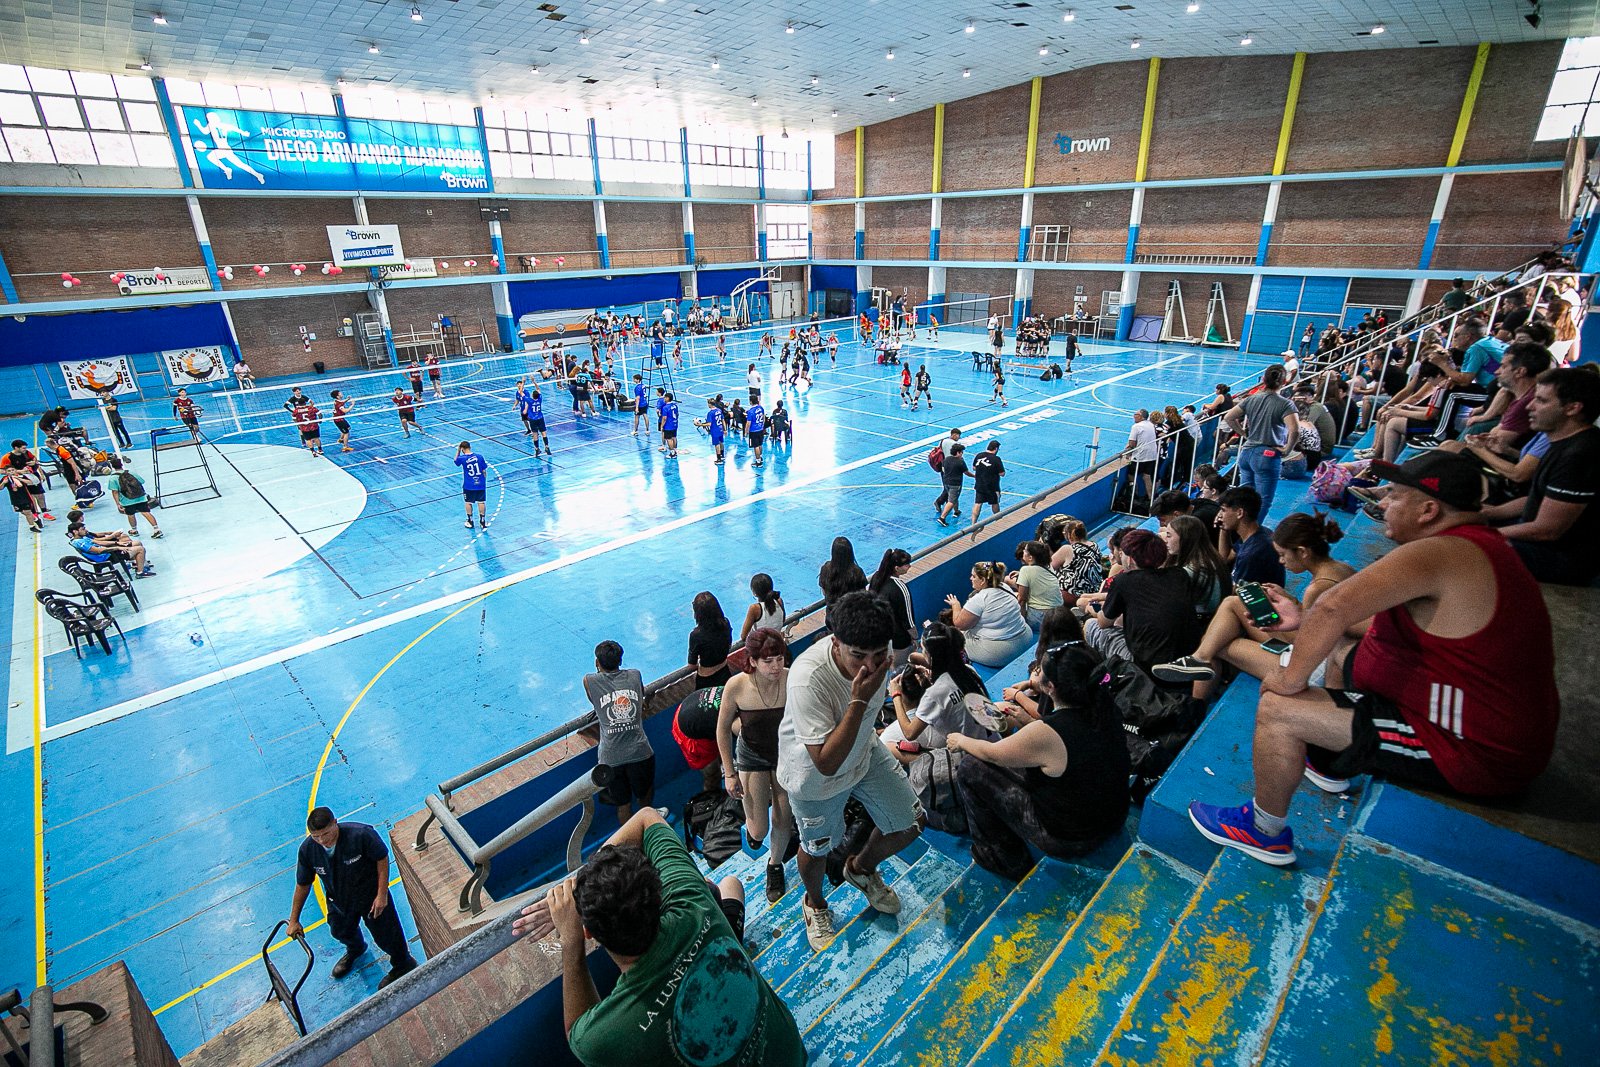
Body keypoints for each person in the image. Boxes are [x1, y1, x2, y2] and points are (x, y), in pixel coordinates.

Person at [1187, 451, 1560, 867]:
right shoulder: (1474, 549)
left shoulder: (1440, 551)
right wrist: (1304, 619)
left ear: (1428, 510)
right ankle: (1328, 763)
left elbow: (1334, 608)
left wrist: (1288, 679)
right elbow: (1358, 624)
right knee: (1339, 649)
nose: (1383, 503)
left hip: (1467, 748)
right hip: (1470, 721)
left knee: (1278, 708)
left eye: (1395, 495)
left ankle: (1263, 830)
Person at [511, 808, 805, 1066]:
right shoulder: (691, 899)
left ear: (588, 932)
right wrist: (584, 883)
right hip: (789, 1053)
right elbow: (646, 817)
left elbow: (576, 1032)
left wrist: (571, 941)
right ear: (659, 896)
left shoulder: (601, 1036)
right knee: (729, 884)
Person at [775, 592, 923, 951]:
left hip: (864, 752)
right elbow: (826, 762)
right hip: (815, 778)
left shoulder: (880, 649)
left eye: (878, 656)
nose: (869, 667)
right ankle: (815, 903)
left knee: (911, 821)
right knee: (816, 850)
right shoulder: (808, 678)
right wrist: (859, 699)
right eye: (858, 656)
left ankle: (860, 869)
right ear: (835, 642)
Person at [949, 643, 1130, 880]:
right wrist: (1025, 718)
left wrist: (961, 741)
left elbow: (991, 753)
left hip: (1072, 837)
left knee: (969, 767)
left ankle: (1002, 858)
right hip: (1113, 817)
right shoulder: (1105, 705)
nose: (1036, 673)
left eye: (1040, 671)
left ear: (1051, 687)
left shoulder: (1048, 732)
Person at [1156, 511, 1354, 698]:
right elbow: (1320, 621)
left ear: (1302, 552)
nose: (1281, 561)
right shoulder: (1341, 568)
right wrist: (1292, 601)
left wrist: (1280, 619)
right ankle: (1200, 659)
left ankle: (1196, 700)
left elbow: (1307, 640)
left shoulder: (1317, 588)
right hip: (1328, 651)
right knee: (1233, 602)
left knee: (1217, 644)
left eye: (1283, 554)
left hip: (1312, 666)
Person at [1480, 366, 1600, 585]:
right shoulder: (1561, 442)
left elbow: (1547, 530)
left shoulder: (1580, 454)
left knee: (1461, 547)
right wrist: (1489, 513)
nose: (1529, 406)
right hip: (1536, 537)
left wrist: (1487, 534)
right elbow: (1539, 499)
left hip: (1559, 558)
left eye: (1541, 401)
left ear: (1572, 408)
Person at [286, 807, 418, 988]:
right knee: (339, 930)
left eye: (326, 833)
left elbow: (381, 858)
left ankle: (403, 963)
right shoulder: (308, 850)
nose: (322, 840)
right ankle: (356, 948)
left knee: (387, 934)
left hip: (370, 896)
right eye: (316, 836)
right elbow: (303, 884)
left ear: (335, 822)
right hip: (339, 900)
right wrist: (294, 920)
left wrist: (381, 894)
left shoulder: (361, 835)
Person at [716, 627, 794, 901]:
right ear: (752, 661)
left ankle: (775, 864)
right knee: (758, 830)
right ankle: (754, 827)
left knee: (784, 818)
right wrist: (729, 773)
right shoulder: (736, 686)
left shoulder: (792, 679)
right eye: (767, 661)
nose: (775, 667)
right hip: (752, 757)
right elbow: (722, 729)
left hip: (784, 755)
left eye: (779, 659)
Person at [1084, 530, 1196, 672]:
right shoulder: (1179, 574)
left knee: (1091, 625)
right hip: (1187, 657)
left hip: (1145, 666)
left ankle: (1106, 675)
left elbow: (1103, 623)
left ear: (1130, 559)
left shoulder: (1123, 581)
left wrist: (1095, 609)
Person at [884, 621, 988, 751]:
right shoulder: (968, 670)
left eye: (923, 650)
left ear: (930, 656)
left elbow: (909, 733)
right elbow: (923, 658)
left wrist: (896, 695)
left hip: (972, 752)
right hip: (990, 740)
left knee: (891, 747)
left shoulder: (935, 694)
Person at [585, 640, 654, 823]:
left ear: (597, 663)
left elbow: (595, 702)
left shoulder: (589, 681)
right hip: (640, 752)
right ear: (620, 660)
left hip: (610, 758)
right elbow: (642, 697)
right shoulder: (635, 675)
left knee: (623, 805)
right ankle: (648, 826)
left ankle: (631, 837)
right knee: (645, 801)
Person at [1226, 366, 1299, 521]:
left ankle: (1239, 529)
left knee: (1244, 499)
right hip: (1267, 455)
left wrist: (1244, 434)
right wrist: (1287, 450)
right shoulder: (1285, 404)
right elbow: (1295, 431)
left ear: (1264, 380)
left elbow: (1229, 417)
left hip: (1246, 453)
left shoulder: (1251, 399)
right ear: (1284, 381)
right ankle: (1253, 531)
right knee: (1263, 501)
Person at [946, 561, 1034, 667]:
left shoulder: (979, 599)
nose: (970, 578)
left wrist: (955, 605)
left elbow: (959, 624)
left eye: (973, 576)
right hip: (1026, 639)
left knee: (956, 636)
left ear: (983, 580)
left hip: (1002, 653)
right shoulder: (1005, 587)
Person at [1159, 514, 1231, 619]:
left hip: (1201, 622)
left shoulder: (1191, 571)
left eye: (1169, 536)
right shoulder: (1211, 559)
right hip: (1213, 617)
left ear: (1185, 538)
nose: (1165, 540)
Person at [1215, 485, 1285, 587]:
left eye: (1223, 510)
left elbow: (1236, 591)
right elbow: (1225, 558)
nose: (1220, 515)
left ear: (1240, 513)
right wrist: (1223, 529)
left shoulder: (1251, 554)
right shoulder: (1259, 533)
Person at [868, 547, 916, 669]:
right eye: (907, 565)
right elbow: (908, 619)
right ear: (897, 568)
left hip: (880, 635)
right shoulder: (900, 587)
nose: (910, 566)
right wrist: (915, 637)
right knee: (900, 670)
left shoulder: (877, 577)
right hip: (898, 640)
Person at [1007, 541, 1064, 630]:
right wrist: (1020, 574)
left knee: (1013, 598)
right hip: (1059, 615)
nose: (1023, 552)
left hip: (1041, 618)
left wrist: (1022, 625)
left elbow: (1022, 600)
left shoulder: (1025, 570)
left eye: (1025, 550)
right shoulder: (1048, 566)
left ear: (1030, 557)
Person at [818, 535, 869, 630]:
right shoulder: (857, 572)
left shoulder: (826, 569)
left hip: (833, 620)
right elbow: (863, 596)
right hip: (852, 620)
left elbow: (824, 591)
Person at [69, 521, 154, 576]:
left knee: (137, 543)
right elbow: (99, 550)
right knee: (140, 549)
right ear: (75, 531)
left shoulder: (82, 538)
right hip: (107, 557)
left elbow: (99, 542)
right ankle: (140, 572)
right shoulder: (80, 543)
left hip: (109, 552)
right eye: (83, 529)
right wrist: (117, 548)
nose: (86, 530)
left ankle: (139, 564)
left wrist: (117, 543)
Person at [688, 590, 733, 690]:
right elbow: (729, 645)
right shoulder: (725, 623)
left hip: (706, 680)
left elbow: (692, 665)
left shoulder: (696, 635)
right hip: (725, 673)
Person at [108, 458, 162, 538]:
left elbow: (115, 492)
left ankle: (134, 530)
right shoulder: (131, 473)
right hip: (140, 497)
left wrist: (118, 503)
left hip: (127, 500)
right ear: (121, 464)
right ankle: (156, 529)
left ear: (112, 466)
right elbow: (142, 481)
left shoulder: (113, 478)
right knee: (146, 512)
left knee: (130, 515)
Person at [1124, 410, 1159, 503]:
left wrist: (1128, 450)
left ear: (1141, 416)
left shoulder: (1136, 426)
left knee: (1131, 475)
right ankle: (1151, 499)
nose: (1134, 416)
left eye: (1136, 414)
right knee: (1147, 476)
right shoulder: (1151, 424)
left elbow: (1132, 443)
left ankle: (1134, 496)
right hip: (1152, 455)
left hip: (1140, 456)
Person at [740, 573, 785, 640]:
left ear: (754, 593)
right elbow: (782, 620)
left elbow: (743, 636)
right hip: (777, 642)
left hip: (761, 645)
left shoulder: (754, 609)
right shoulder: (779, 601)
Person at [455, 441, 489, 529]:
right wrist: (483, 481)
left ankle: (470, 521)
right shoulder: (479, 456)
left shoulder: (462, 458)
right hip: (480, 484)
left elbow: (456, 461)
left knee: (468, 502)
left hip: (468, 485)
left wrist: (458, 451)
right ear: (470, 447)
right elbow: (484, 471)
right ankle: (482, 521)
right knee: (481, 502)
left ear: (462, 449)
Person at [971, 439, 1005, 524]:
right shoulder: (996, 459)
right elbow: (1002, 473)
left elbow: (974, 468)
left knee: (978, 503)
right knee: (995, 503)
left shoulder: (979, 455)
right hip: (992, 486)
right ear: (996, 449)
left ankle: (973, 523)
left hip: (979, 484)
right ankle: (998, 520)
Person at [936, 442, 968, 527]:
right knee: (951, 501)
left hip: (946, 482)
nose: (962, 454)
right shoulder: (960, 462)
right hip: (955, 484)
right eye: (961, 452)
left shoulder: (946, 459)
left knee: (954, 497)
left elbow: (944, 469)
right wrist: (974, 476)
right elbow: (966, 472)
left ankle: (956, 511)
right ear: (958, 452)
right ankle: (942, 518)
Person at [5, 465, 45, 533]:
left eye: (13, 470)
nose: (11, 472)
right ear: (6, 472)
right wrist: (4, 483)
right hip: (15, 500)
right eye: (9, 471)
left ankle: (32, 527)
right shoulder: (6, 479)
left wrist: (20, 479)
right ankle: (36, 519)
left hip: (26, 498)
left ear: (15, 470)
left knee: (27, 512)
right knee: (23, 512)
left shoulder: (21, 476)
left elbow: (31, 482)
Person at [694, 397, 728, 466]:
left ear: (710, 404)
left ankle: (719, 459)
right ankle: (722, 455)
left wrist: (700, 424)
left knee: (716, 444)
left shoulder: (710, 413)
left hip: (715, 430)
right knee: (721, 442)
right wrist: (725, 429)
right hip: (720, 428)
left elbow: (709, 424)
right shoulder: (719, 410)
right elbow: (723, 420)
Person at [746, 396, 767, 469]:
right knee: (760, 444)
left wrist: (746, 431)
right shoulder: (761, 408)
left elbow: (748, 423)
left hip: (754, 430)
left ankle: (758, 462)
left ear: (751, 401)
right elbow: (764, 417)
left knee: (756, 446)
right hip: (760, 429)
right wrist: (762, 425)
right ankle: (760, 457)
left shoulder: (751, 411)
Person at [658, 391, 680, 458]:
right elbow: (677, 414)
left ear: (667, 398)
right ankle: (675, 450)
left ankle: (672, 453)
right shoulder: (675, 405)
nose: (664, 399)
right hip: (675, 424)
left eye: (665, 397)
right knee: (674, 437)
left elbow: (664, 418)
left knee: (669, 439)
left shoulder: (665, 407)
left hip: (668, 426)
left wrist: (662, 426)